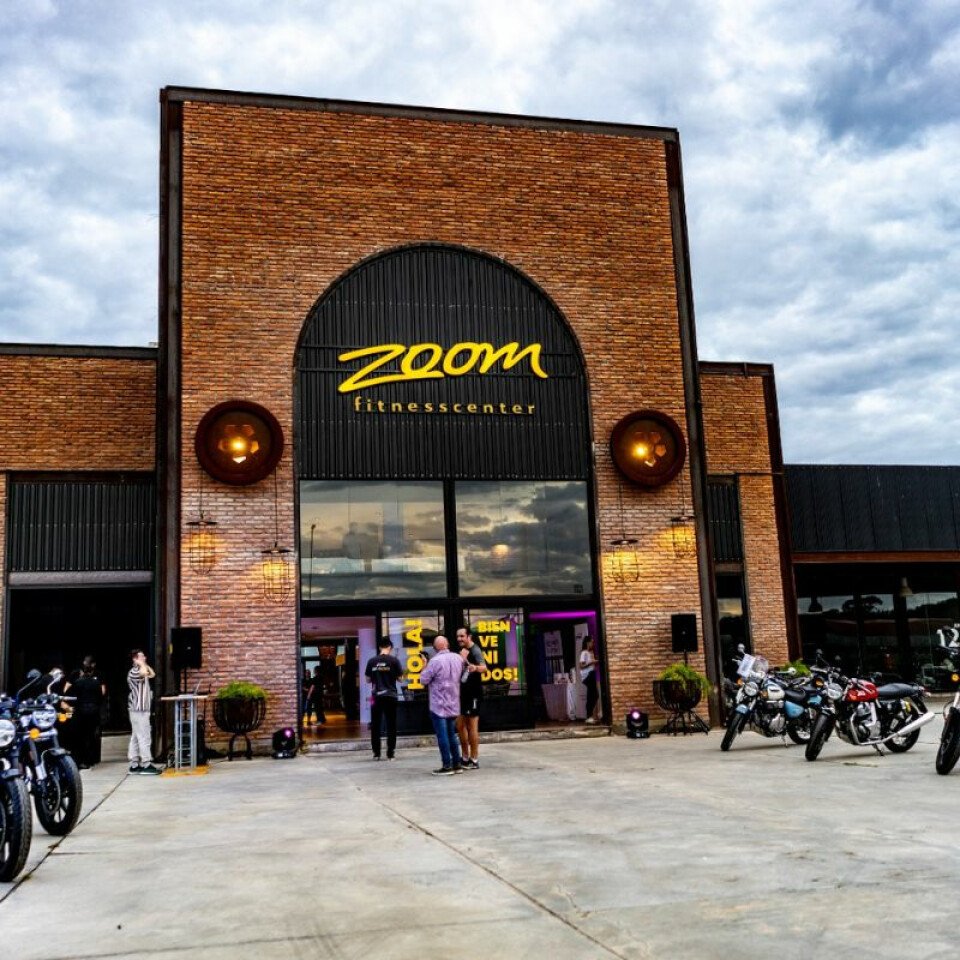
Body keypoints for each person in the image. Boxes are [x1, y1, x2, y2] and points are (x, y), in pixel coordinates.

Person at [419, 636, 464, 775]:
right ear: (448, 644)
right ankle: (457, 764)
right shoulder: (458, 658)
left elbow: (423, 680)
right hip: (453, 702)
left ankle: (447, 765)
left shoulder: (435, 661)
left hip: (438, 704)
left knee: (442, 735)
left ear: (434, 648)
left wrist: (424, 664)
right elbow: (463, 675)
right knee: (452, 734)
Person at [63, 656, 107, 769]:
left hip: (80, 711)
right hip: (93, 711)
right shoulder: (96, 683)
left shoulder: (77, 682)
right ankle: (90, 760)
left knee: (79, 736)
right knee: (91, 736)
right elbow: (101, 695)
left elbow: (67, 694)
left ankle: (80, 760)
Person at [364, 638, 403, 760]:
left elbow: (367, 680)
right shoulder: (394, 661)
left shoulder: (372, 661)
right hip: (391, 696)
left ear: (380, 647)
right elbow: (400, 679)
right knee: (391, 725)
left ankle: (376, 754)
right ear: (390, 647)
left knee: (375, 725)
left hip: (375, 696)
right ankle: (390, 753)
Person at [456, 626, 488, 770]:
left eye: (462, 636)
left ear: (469, 636)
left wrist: (474, 667)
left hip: (473, 694)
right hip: (461, 694)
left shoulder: (475, 650)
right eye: (458, 636)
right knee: (460, 725)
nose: (459, 639)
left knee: (472, 726)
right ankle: (464, 757)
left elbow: (484, 668)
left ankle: (474, 759)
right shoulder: (462, 651)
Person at [127, 649, 161, 775]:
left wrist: (144, 664)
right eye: (142, 656)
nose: (145, 658)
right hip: (139, 709)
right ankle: (146, 763)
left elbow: (152, 674)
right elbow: (143, 673)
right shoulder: (134, 671)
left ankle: (134, 763)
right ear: (135, 659)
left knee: (136, 736)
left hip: (140, 710)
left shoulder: (141, 669)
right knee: (144, 736)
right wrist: (141, 664)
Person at [579, 636, 600, 723]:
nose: (593, 644)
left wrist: (595, 663)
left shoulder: (590, 652)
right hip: (587, 675)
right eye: (592, 642)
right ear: (587, 643)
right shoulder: (584, 653)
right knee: (594, 695)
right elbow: (581, 666)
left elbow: (592, 665)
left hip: (592, 674)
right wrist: (591, 663)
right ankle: (589, 716)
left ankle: (589, 716)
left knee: (592, 695)